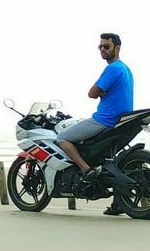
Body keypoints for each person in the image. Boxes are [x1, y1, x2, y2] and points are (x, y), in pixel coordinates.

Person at [56, 32, 134, 215]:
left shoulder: (113, 68)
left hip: (104, 120)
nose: (102, 50)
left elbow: (91, 93)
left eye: (106, 46)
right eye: (100, 47)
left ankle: (86, 169)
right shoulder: (126, 69)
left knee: (63, 137)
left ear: (118, 47)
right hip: (120, 121)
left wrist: (100, 93)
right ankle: (117, 203)